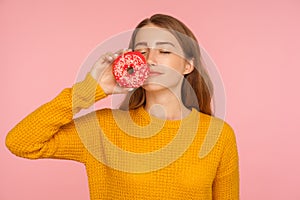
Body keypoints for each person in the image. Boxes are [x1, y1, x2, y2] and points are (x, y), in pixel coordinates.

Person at [6, 14, 239, 199]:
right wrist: (90, 90)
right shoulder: (105, 128)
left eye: (164, 51)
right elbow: (21, 142)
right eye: (142, 51)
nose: (150, 59)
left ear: (188, 65)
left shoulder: (218, 135)